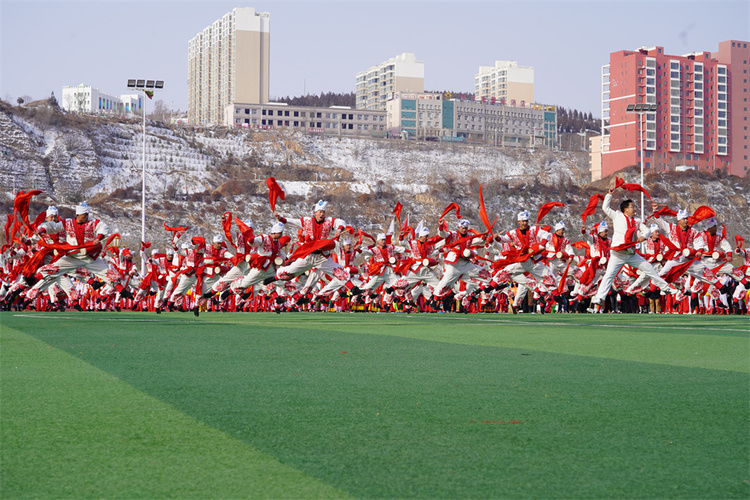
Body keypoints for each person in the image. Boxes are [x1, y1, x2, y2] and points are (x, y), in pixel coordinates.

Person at [589, 189, 676, 312]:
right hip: (618, 253)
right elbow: (605, 207)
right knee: (609, 275)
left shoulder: (637, 221)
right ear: (626, 209)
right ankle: (599, 298)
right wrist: (609, 194)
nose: (634, 209)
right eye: (631, 207)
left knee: (650, 269)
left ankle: (665, 287)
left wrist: (643, 236)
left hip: (631, 254)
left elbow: (647, 231)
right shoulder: (617, 216)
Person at [26, 202, 115, 309]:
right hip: (49, 257)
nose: (53, 218)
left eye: (55, 216)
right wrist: (28, 240)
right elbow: (32, 240)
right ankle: (32, 296)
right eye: (51, 217)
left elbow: (70, 239)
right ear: (47, 218)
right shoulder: (45, 229)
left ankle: (66, 298)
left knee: (71, 273)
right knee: (51, 276)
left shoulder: (62, 226)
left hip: (64, 254)